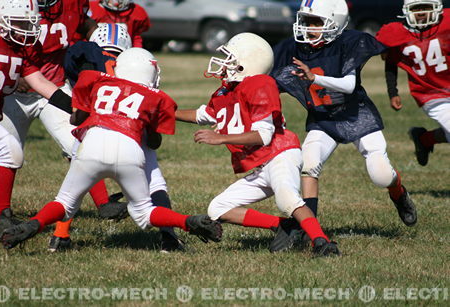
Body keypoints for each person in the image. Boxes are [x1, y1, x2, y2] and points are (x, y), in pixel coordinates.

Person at [1, 48, 223, 250]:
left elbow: (76, 119)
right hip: (129, 150)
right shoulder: (156, 98)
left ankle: (36, 224)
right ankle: (186, 222)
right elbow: (154, 142)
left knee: (64, 202)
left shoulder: (96, 82)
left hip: (92, 145)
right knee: (145, 212)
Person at [176, 33, 339, 256]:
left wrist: (221, 138)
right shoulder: (227, 91)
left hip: (280, 153)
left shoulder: (260, 83)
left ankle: (322, 243)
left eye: (230, 58)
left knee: (288, 199)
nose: (224, 63)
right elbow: (204, 114)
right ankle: (284, 226)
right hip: (262, 165)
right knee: (217, 208)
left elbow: (263, 135)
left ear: (246, 63)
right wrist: (166, 113)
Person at [271, 0, 417, 228]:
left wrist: (314, 78)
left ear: (335, 23)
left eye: (315, 22)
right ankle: (310, 229)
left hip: (356, 115)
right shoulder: (293, 49)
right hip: (323, 119)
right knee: (309, 164)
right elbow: (269, 82)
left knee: (381, 175)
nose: (308, 28)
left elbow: (349, 85)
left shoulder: (349, 43)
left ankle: (398, 193)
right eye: (305, 22)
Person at [0, 0, 130, 249]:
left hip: (53, 85)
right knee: (6, 151)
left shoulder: (73, 4)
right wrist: (13, 73)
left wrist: (104, 46)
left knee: (79, 141)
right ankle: (1, 214)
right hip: (14, 89)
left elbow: (86, 24)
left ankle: (103, 203)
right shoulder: (12, 5)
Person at [58, 22, 184, 253]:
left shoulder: (89, 61)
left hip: (94, 130)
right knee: (155, 182)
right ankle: (169, 237)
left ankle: (59, 234)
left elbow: (78, 102)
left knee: (72, 189)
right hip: (133, 131)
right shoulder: (136, 62)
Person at [0, 0, 85, 241]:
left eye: (28, 22)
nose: (26, 28)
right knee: (8, 149)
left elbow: (40, 82)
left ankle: (2, 217)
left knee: (8, 150)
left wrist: (73, 107)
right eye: (19, 22)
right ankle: (1, 216)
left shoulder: (22, 45)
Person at [376, 0, 449, 166]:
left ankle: (424, 139)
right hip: (431, 95)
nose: (421, 12)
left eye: (426, 7)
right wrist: (392, 92)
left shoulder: (447, 23)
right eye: (417, 8)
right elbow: (391, 63)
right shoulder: (397, 33)